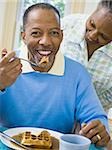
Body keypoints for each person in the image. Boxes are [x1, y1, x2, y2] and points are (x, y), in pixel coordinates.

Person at [0, 3, 110, 148]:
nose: (45, 41)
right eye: (36, 33)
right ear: (24, 36)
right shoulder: (4, 68)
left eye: (54, 33)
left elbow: (95, 117)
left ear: (62, 36)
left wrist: (99, 130)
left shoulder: (77, 74)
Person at [60, 0, 112, 112]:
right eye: (92, 24)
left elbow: (109, 97)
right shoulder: (67, 25)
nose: (92, 35)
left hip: (89, 116)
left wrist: (88, 112)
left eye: (103, 36)